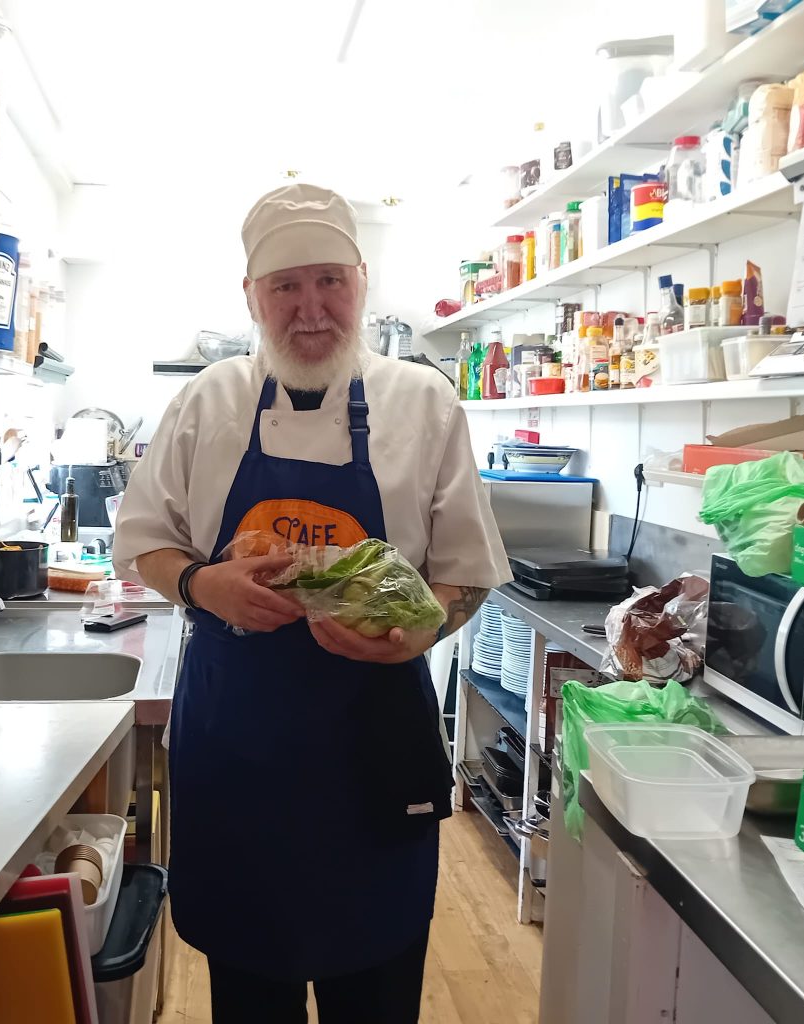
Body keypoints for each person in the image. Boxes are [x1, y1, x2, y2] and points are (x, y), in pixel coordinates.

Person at [113, 183, 511, 1024]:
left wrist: (421, 630)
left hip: (375, 749)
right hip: (237, 748)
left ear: (362, 281)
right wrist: (201, 583)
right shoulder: (207, 401)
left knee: (376, 989)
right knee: (249, 991)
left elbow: (468, 571)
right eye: (285, 287)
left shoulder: (423, 403)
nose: (311, 309)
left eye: (330, 280)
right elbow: (144, 539)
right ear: (250, 297)